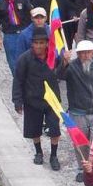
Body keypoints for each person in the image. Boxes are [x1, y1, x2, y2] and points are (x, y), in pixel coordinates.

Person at [56, 40, 93, 182]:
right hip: (78, 112)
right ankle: (82, 168)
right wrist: (64, 62)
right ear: (78, 54)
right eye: (82, 53)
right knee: (80, 143)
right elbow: (58, 76)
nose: (86, 55)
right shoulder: (72, 67)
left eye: (88, 52)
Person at [11, 28, 62, 171]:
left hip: (52, 100)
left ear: (47, 43)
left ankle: (54, 155)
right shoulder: (24, 59)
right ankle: (38, 152)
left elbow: (62, 75)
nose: (38, 46)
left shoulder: (54, 58)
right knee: (34, 129)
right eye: (36, 43)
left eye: (41, 43)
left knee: (54, 129)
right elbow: (18, 80)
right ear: (32, 44)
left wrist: (65, 63)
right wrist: (17, 101)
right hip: (32, 99)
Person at [0, 0, 32, 74]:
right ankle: (18, 79)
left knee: (28, 58)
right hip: (10, 35)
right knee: (12, 61)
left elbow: (32, 13)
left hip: (24, 33)